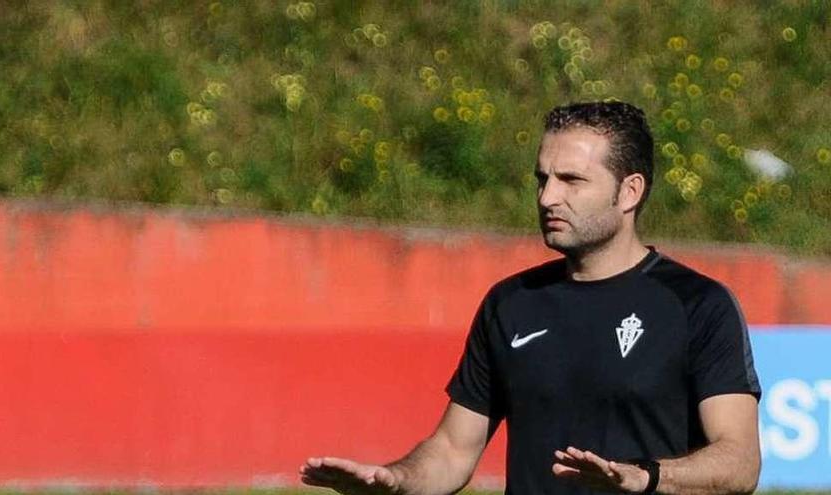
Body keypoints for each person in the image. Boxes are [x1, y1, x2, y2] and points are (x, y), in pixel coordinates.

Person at [299, 101, 761, 495]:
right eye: (542, 178)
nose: (547, 197)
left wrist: (646, 477)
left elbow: (740, 462)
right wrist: (396, 479)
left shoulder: (697, 304)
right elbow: (453, 449)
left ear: (630, 191)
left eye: (571, 180)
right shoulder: (512, 303)